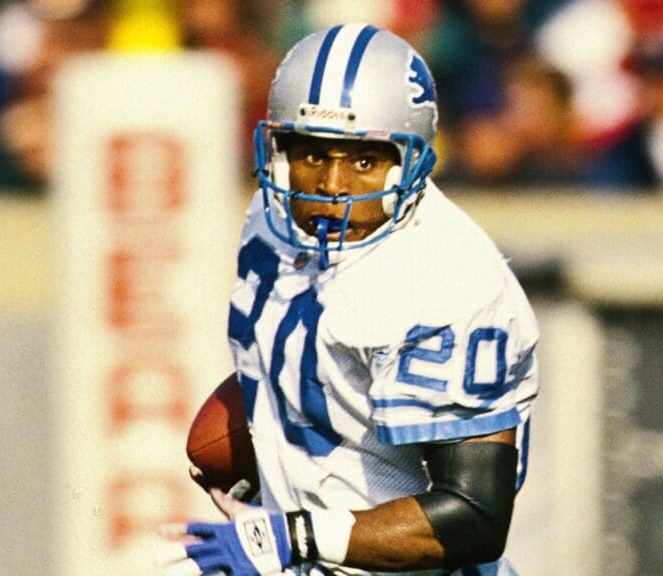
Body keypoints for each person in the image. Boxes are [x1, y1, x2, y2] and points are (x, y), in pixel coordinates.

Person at [157, 23, 540, 576]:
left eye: (363, 160)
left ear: (410, 161)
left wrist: (291, 535)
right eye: (311, 153)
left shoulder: (447, 280)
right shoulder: (270, 218)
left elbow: (474, 514)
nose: (331, 184)